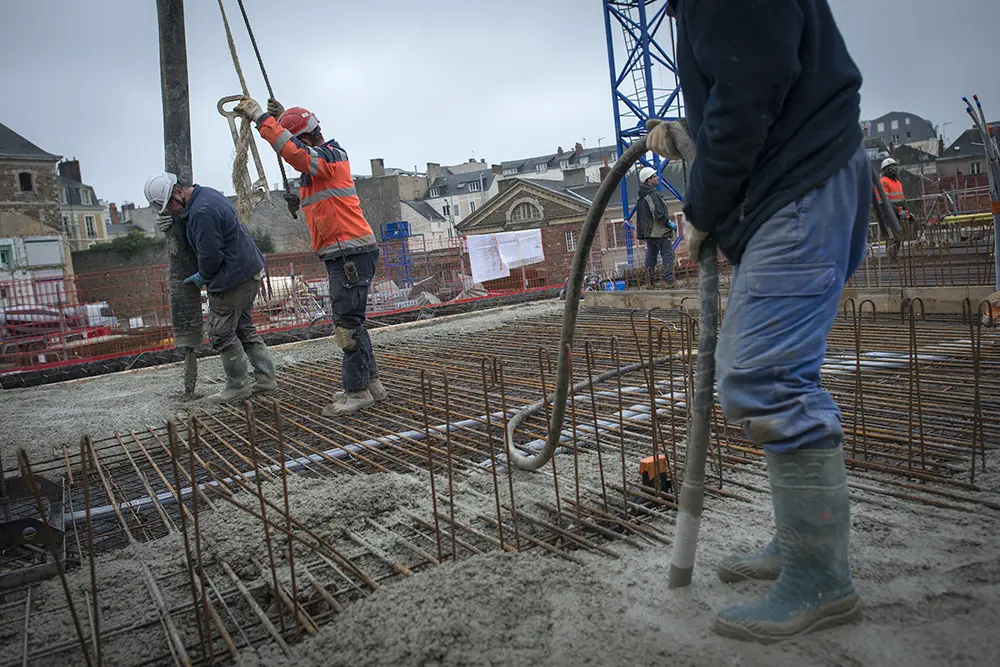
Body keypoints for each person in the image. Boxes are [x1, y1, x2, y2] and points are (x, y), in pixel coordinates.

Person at [648, 0, 870, 643]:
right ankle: (800, 544)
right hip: (801, 178)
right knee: (775, 372)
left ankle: (820, 577)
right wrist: (694, 137)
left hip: (797, 186)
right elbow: (746, 75)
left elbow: (749, 86)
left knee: (764, 376)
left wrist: (702, 209)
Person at [233, 96, 384, 417]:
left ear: (307, 139)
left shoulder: (328, 157)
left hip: (350, 253)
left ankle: (356, 391)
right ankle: (370, 384)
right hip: (347, 253)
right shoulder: (322, 160)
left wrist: (263, 120)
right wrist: (279, 118)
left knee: (346, 326)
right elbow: (296, 149)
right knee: (354, 322)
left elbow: (295, 153)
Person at [144, 172, 276, 402]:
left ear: (178, 192)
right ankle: (266, 379)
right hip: (248, 272)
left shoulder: (201, 212)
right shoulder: (206, 195)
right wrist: (177, 222)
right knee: (244, 328)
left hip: (232, 279)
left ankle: (238, 386)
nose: (171, 211)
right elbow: (203, 224)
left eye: (170, 207)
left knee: (221, 333)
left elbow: (210, 254)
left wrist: (203, 276)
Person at [634, 166, 677, 286]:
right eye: (654, 176)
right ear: (648, 180)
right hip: (658, 231)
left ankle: (649, 281)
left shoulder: (641, 195)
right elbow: (657, 212)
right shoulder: (651, 193)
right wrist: (667, 222)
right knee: (668, 254)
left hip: (648, 232)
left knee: (651, 256)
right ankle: (669, 280)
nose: (657, 177)